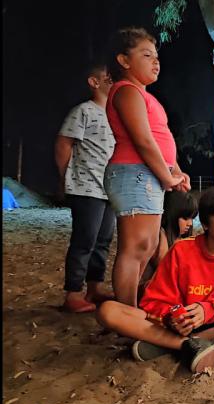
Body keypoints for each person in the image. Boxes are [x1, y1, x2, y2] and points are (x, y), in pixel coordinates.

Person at [96, 188, 214, 373]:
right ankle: (185, 344)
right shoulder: (181, 250)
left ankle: (190, 341)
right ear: (205, 222)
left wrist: (208, 309)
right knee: (108, 311)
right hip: (181, 325)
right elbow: (153, 301)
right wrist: (174, 318)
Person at [103, 28, 190, 306]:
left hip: (147, 175)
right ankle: (126, 312)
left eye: (156, 56)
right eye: (146, 55)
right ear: (124, 60)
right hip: (133, 174)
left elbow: (159, 137)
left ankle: (132, 306)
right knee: (135, 246)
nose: (156, 61)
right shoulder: (126, 91)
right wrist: (167, 176)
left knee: (149, 245)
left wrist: (175, 171)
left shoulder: (143, 94)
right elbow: (142, 140)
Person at [55, 62, 116, 313]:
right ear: (94, 82)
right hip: (85, 186)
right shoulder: (84, 111)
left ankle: (94, 287)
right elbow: (63, 144)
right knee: (84, 239)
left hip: (109, 188)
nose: (113, 80)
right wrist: (65, 177)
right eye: (108, 77)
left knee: (103, 240)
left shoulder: (116, 114)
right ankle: (73, 293)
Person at [140, 191, 198, 292]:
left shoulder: (181, 238)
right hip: (151, 290)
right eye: (185, 218)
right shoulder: (160, 235)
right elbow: (166, 269)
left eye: (191, 218)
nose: (190, 223)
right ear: (172, 215)